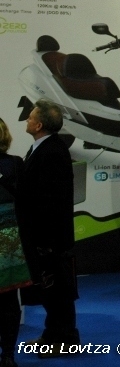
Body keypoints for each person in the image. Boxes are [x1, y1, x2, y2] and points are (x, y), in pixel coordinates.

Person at [14, 100, 80, 354]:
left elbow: (52, 201)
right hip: (46, 236)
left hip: (50, 238)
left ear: (39, 125)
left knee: (58, 291)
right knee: (51, 291)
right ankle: (52, 335)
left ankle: (65, 340)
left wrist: (47, 242)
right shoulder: (45, 148)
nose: (27, 120)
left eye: (30, 117)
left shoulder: (52, 152)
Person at [0, 118, 28, 367]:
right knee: (9, 300)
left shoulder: (16, 164)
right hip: (10, 241)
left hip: (8, 240)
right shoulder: (16, 164)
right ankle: (8, 355)